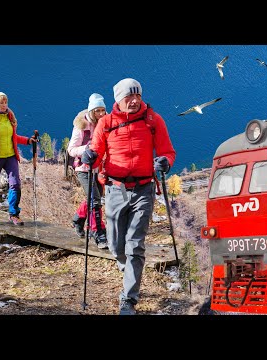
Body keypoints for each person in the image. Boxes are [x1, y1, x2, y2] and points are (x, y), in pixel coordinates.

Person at [81, 78, 176, 315]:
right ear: (118, 100)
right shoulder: (106, 123)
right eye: (128, 97)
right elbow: (96, 149)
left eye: (138, 96)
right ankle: (127, 267)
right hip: (115, 188)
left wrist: (165, 162)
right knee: (115, 243)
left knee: (135, 243)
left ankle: (128, 299)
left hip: (143, 189)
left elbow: (167, 151)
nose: (134, 101)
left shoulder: (153, 121)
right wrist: (90, 155)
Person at [0, 91, 37, 226]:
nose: (4, 105)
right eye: (1, 102)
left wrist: (28, 141)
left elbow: (13, 137)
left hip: (10, 156)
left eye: (5, 102)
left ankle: (14, 214)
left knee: (15, 184)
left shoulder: (9, 117)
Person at [67, 93, 108, 249]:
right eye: (98, 111)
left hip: (98, 168)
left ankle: (78, 219)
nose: (101, 114)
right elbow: (71, 149)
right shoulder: (81, 126)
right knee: (95, 200)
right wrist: (87, 149)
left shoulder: (105, 123)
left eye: (103, 110)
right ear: (91, 111)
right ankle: (98, 232)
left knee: (93, 197)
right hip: (83, 168)